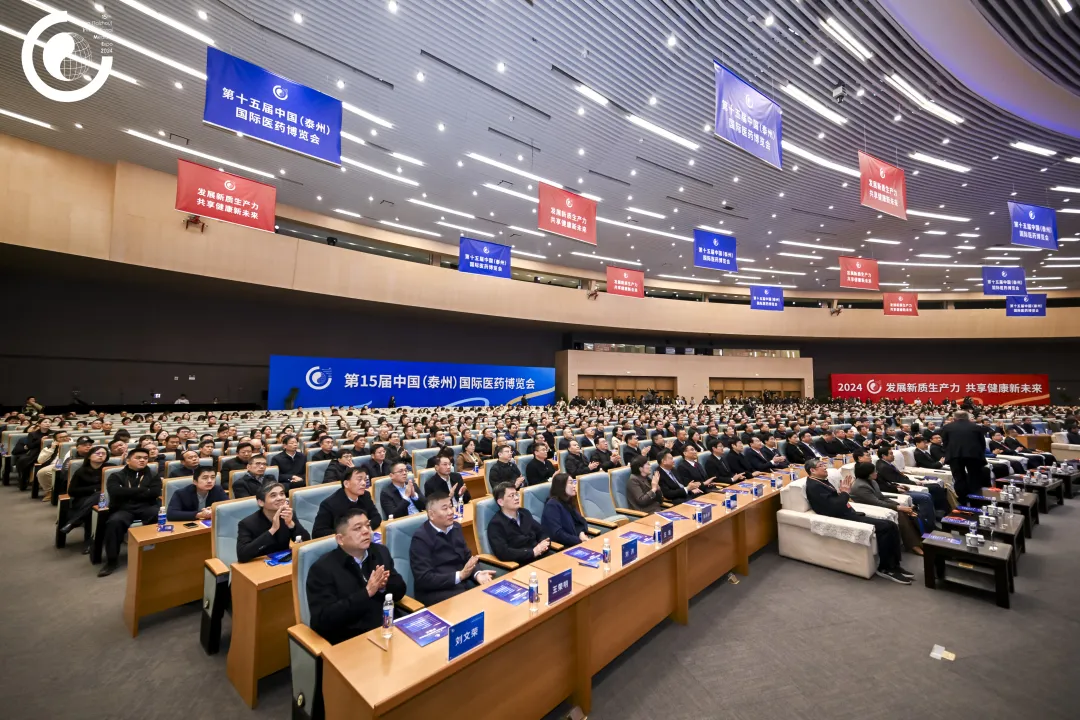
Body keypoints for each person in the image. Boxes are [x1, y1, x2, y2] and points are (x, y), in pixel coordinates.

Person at [802, 459, 912, 584]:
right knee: (886, 527)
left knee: (891, 525)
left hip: (848, 512)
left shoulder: (821, 481)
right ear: (812, 470)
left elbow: (835, 500)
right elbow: (834, 508)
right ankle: (885, 568)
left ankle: (894, 565)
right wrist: (845, 493)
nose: (825, 467)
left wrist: (842, 493)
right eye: (821, 465)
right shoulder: (814, 486)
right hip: (841, 517)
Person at [306, 508, 406, 645]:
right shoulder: (322, 569)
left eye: (367, 525)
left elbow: (400, 591)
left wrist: (385, 586)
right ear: (340, 539)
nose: (366, 531)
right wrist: (367, 593)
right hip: (351, 640)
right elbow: (323, 620)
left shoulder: (379, 552)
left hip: (387, 629)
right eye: (358, 528)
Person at [409, 490, 495, 605]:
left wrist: (477, 574)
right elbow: (424, 578)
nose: (450, 512)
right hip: (436, 592)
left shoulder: (456, 527)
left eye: (451, 506)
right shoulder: (421, 538)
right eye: (445, 509)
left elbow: (467, 558)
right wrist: (460, 575)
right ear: (431, 514)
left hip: (461, 584)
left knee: (493, 594)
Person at [99, 447, 163, 577]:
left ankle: (156, 554)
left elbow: (155, 493)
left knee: (159, 516)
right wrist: (143, 490)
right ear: (128, 460)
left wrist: (128, 492)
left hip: (146, 506)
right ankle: (112, 561)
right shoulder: (116, 476)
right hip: (124, 508)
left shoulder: (153, 475)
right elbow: (115, 492)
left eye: (145, 458)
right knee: (114, 522)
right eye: (138, 458)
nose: (142, 460)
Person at [848, 462, 924, 555]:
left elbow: (882, 497)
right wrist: (898, 508)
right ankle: (913, 545)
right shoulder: (860, 486)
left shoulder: (872, 481)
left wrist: (900, 505)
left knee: (910, 510)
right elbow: (876, 502)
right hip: (868, 508)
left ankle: (920, 540)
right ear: (867, 474)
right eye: (874, 471)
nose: (876, 472)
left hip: (877, 505)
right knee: (900, 514)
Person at [236, 481, 310, 563]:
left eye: (282, 494)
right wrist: (273, 530)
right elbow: (242, 555)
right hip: (259, 565)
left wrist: (291, 524)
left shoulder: (287, 514)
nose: (280, 498)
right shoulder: (247, 524)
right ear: (261, 502)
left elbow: (307, 541)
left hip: (284, 562)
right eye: (273, 495)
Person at [486, 482, 552, 565]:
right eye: (511, 496)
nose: (516, 498)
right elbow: (503, 552)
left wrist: (544, 544)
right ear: (501, 502)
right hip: (521, 564)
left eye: (516, 494)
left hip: (541, 555)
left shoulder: (524, 513)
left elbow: (541, 532)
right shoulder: (496, 525)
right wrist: (532, 552)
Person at [59, 445, 109, 551]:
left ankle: (74, 522)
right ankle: (89, 542)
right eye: (97, 453)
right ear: (89, 456)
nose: (101, 455)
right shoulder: (81, 471)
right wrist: (94, 489)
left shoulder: (110, 468)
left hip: (105, 499)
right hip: (83, 500)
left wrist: (97, 491)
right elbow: (72, 491)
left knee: (99, 496)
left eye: (103, 453)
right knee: (93, 509)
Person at [876, 445, 947, 518]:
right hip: (902, 486)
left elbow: (899, 477)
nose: (893, 455)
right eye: (891, 454)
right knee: (933, 489)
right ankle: (940, 512)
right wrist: (914, 483)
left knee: (935, 486)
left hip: (904, 483)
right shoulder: (883, 467)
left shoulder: (885, 463)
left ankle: (939, 511)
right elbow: (897, 480)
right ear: (883, 456)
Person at [312, 467, 382, 538]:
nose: (364, 483)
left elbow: (376, 517)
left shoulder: (365, 496)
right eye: (359, 479)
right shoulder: (329, 504)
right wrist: (349, 533)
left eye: (365, 480)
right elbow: (318, 532)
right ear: (346, 484)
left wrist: (364, 528)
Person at [939, 411, 988, 501]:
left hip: (955, 455)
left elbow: (945, 443)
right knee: (974, 477)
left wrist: (948, 452)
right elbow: (982, 443)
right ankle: (975, 499)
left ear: (954, 418)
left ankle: (963, 500)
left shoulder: (947, 427)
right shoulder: (976, 427)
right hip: (973, 455)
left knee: (959, 478)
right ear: (967, 417)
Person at [541, 473, 589, 547]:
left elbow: (579, 522)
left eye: (574, 483)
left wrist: (581, 534)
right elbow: (557, 534)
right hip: (563, 546)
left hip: (575, 541)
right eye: (571, 483)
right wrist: (579, 540)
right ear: (561, 486)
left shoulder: (568, 501)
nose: (574, 486)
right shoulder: (552, 505)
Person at [34, 429, 70, 502]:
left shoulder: (74, 445)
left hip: (68, 464)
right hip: (56, 464)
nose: (65, 439)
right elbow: (40, 460)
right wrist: (52, 448)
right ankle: (50, 492)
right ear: (55, 440)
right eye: (61, 437)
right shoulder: (50, 446)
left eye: (66, 436)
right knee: (42, 472)